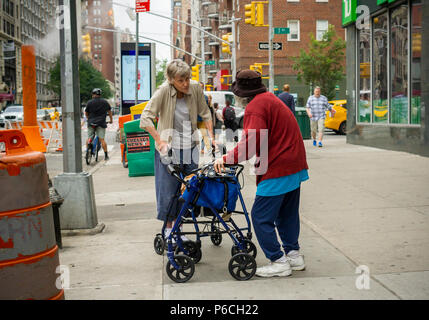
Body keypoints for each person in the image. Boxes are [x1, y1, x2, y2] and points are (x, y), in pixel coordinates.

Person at [214, 70, 309, 278]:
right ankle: (293, 255)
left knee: (260, 216)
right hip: (294, 163)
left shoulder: (255, 107)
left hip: (279, 165)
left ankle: (278, 261)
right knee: (287, 213)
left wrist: (225, 158)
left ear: (241, 94)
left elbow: (251, 143)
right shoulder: (270, 99)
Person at [139, 59, 216, 240]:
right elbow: (145, 118)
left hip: (191, 147)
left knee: (188, 190)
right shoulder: (163, 91)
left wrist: (211, 137)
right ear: (171, 79)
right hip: (169, 149)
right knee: (168, 190)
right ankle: (168, 229)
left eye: (187, 78)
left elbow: (205, 113)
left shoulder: (195, 88)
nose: (186, 83)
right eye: (181, 80)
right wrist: (160, 141)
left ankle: (179, 229)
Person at [85, 88, 113, 160]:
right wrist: (111, 120)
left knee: (89, 138)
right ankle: (106, 155)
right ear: (100, 95)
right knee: (102, 139)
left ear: (93, 94)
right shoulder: (105, 102)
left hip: (91, 123)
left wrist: (89, 119)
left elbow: (86, 113)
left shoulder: (89, 102)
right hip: (101, 123)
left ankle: (87, 152)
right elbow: (109, 112)